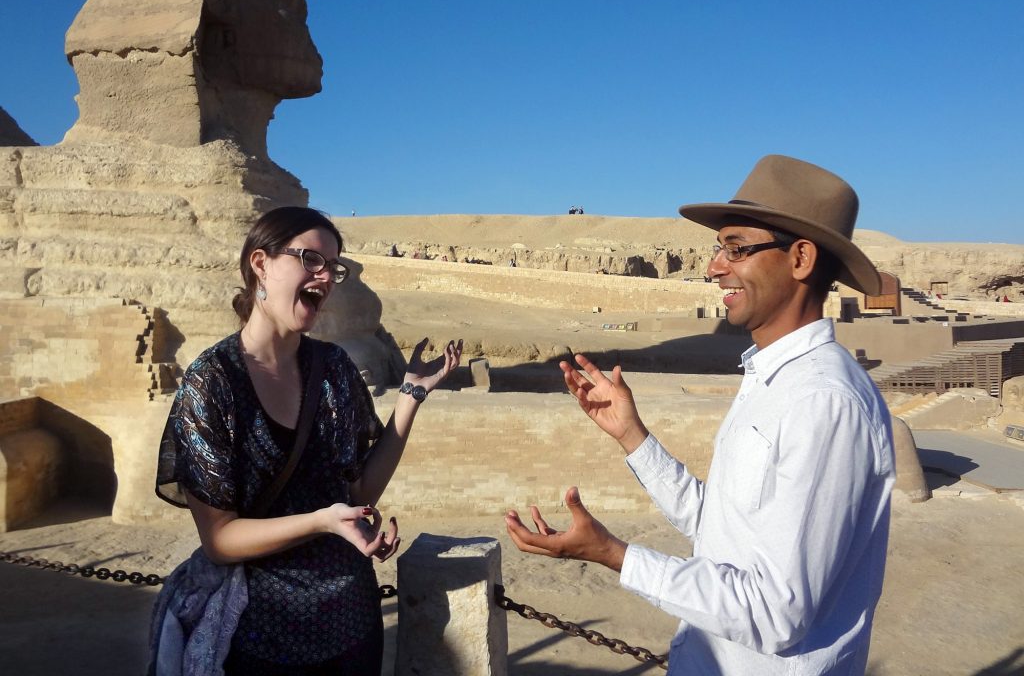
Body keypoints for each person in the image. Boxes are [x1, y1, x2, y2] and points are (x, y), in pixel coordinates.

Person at [506, 155, 895, 675]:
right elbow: (722, 530)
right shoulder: (771, 379)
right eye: (719, 248)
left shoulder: (822, 402)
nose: (714, 267)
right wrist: (634, 437)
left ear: (801, 258)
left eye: (736, 248)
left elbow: (778, 614)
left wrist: (613, 554)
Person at [155, 205, 462, 674]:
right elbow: (220, 539)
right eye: (311, 261)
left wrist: (410, 399)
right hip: (261, 638)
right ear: (261, 264)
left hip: (353, 627)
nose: (326, 278)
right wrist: (321, 521)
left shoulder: (335, 369)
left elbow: (359, 492)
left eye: (333, 268)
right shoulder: (212, 383)